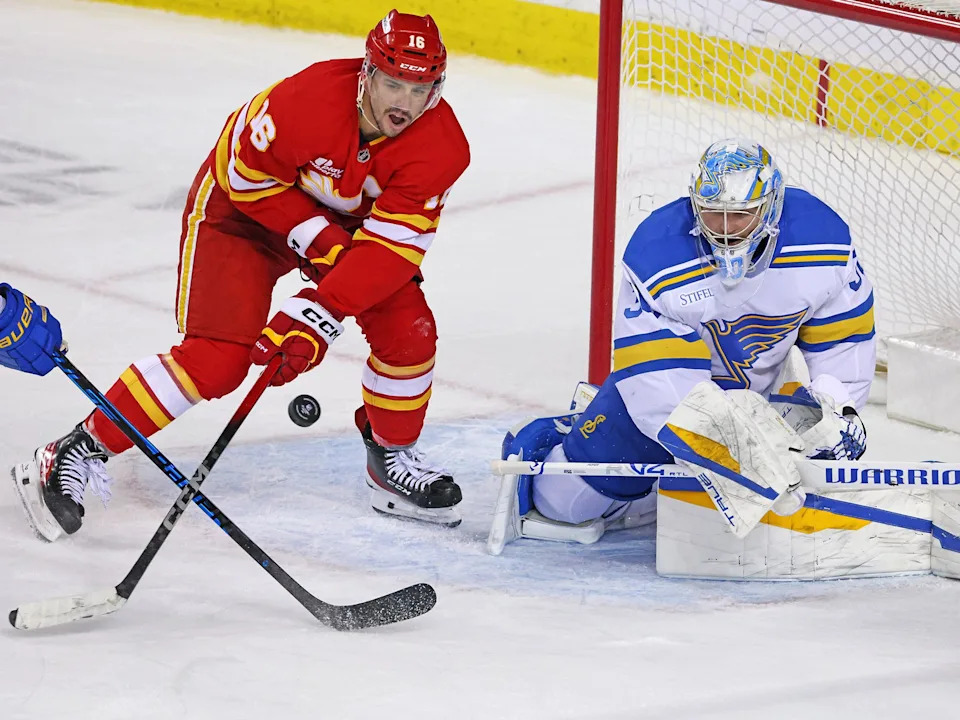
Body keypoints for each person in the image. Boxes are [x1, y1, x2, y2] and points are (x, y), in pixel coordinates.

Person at [12, 9, 471, 542]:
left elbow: (391, 251)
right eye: (393, 83)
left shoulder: (441, 146)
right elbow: (242, 174)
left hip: (345, 234)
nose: (405, 104)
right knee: (218, 361)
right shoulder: (306, 101)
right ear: (367, 72)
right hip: (243, 215)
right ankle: (76, 449)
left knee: (409, 329)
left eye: (420, 88)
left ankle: (390, 460)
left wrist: (319, 313)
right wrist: (320, 246)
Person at [491, 138, 875, 550]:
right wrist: (726, 450)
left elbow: (843, 339)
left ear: (771, 208)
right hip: (669, 403)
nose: (725, 231)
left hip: (759, 394)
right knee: (565, 506)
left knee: (801, 453)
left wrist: (839, 410)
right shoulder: (659, 252)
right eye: (713, 214)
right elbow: (659, 386)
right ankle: (557, 432)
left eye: (740, 216)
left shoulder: (822, 240)